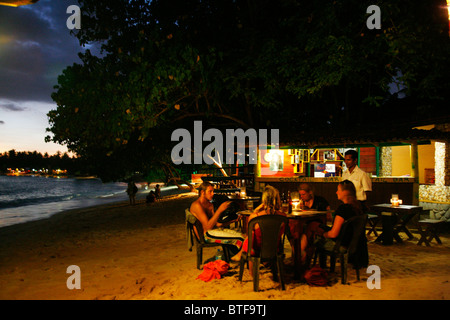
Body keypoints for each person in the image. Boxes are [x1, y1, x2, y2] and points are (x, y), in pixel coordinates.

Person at [300, 180, 364, 266]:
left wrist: (323, 235)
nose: (336, 192)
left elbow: (333, 234)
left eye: (338, 190)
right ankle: (302, 258)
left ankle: (302, 261)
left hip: (340, 245)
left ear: (345, 192)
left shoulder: (343, 209)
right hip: (353, 244)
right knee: (312, 226)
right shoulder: (358, 206)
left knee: (312, 238)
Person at [231, 186, 287, 270]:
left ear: (263, 200)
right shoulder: (283, 216)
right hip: (274, 249)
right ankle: (268, 262)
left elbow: (248, 234)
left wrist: (255, 211)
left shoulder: (255, 217)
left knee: (250, 235)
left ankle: (249, 268)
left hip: (256, 250)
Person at [189, 182, 244, 254]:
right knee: (239, 239)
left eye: (213, 191)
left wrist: (232, 220)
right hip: (206, 236)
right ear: (202, 192)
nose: (212, 194)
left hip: (213, 230)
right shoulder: (197, 205)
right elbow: (208, 227)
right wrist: (219, 210)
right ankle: (240, 259)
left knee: (241, 236)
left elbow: (217, 224)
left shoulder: (210, 204)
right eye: (210, 191)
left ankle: (237, 257)